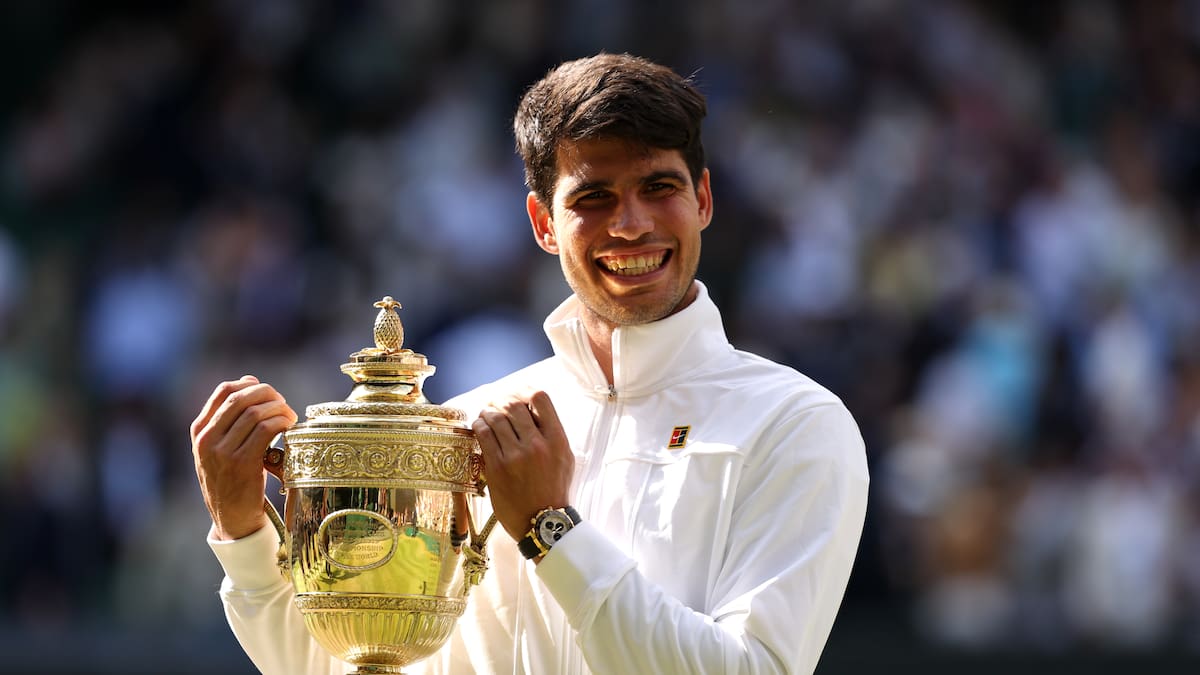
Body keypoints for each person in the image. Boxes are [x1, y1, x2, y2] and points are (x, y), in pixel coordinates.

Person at [191, 52, 869, 674]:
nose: (631, 224)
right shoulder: (465, 428)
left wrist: (552, 530)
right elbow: (351, 664)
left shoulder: (795, 423)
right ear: (543, 223)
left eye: (658, 186)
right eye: (593, 197)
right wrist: (244, 529)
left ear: (704, 200)